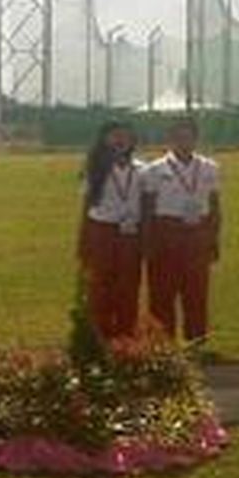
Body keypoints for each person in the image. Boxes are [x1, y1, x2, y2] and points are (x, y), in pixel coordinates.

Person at [142, 117, 222, 343]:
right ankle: (162, 345)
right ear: (170, 139)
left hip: (197, 235)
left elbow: (215, 205)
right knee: (162, 292)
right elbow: (147, 209)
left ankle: (196, 342)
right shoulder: (154, 170)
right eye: (178, 137)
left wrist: (214, 239)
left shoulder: (210, 167)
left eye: (188, 137)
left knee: (196, 292)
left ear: (196, 139)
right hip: (166, 234)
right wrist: (147, 243)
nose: (183, 141)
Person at [77, 120, 145, 340]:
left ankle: (126, 335)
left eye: (125, 135)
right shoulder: (94, 169)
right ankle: (101, 335)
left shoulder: (144, 169)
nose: (120, 140)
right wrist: (83, 241)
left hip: (130, 234)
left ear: (133, 140)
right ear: (104, 140)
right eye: (114, 135)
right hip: (102, 231)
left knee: (129, 285)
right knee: (101, 285)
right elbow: (86, 207)